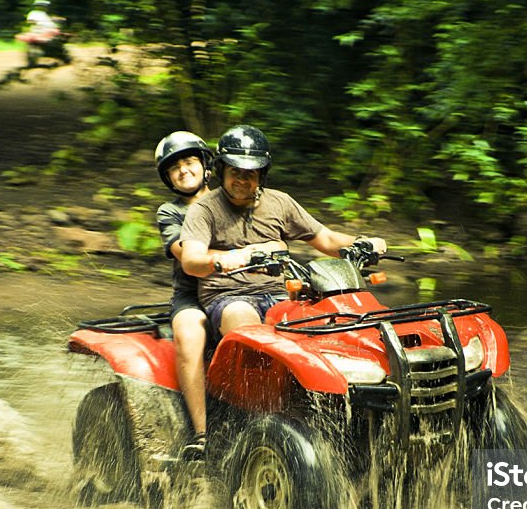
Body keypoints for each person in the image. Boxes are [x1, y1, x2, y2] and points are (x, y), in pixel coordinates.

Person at [178, 124, 388, 340]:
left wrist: (363, 242)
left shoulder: (280, 202)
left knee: (328, 326)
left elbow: (326, 238)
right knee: (250, 330)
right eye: (235, 171)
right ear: (221, 171)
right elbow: (191, 261)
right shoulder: (203, 209)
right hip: (228, 297)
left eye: (250, 173)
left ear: (262, 175)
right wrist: (226, 259)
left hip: (282, 295)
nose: (242, 179)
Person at [153, 131, 214, 459]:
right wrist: (241, 254)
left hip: (245, 287)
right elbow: (184, 253)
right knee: (189, 334)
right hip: (193, 295)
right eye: (174, 168)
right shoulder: (170, 212)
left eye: (190, 162)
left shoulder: (231, 199)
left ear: (206, 166)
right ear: (168, 178)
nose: (184, 170)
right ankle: (202, 433)